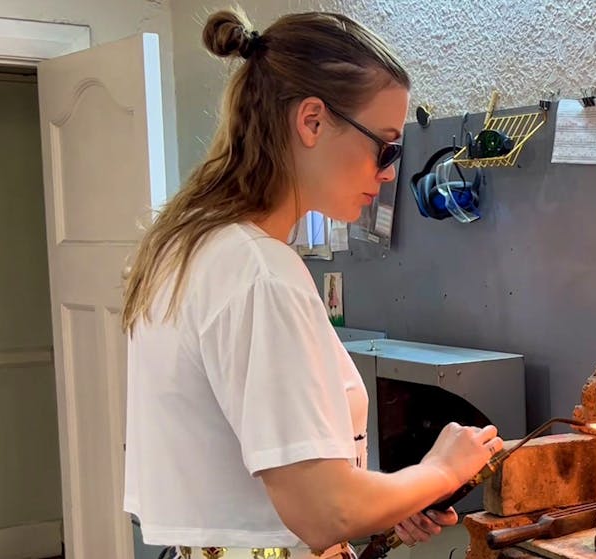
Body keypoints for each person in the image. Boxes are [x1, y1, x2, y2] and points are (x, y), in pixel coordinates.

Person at [121, 9, 503, 559]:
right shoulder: (260, 273)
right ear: (313, 122)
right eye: (386, 146)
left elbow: (273, 477)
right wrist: (441, 469)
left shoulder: (188, 248)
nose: (389, 171)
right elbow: (325, 513)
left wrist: (394, 496)